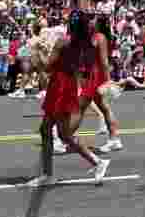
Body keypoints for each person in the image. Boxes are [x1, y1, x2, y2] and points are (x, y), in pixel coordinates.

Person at [28, 11, 110, 187]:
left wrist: (37, 50)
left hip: (60, 85)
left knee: (63, 134)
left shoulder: (63, 42)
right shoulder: (83, 43)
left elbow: (47, 66)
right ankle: (48, 173)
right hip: (67, 84)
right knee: (48, 130)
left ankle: (97, 162)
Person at [80, 14, 123, 153]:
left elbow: (104, 62)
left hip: (97, 76)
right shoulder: (91, 36)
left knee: (83, 107)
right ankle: (115, 139)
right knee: (103, 108)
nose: (89, 23)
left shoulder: (100, 37)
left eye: (92, 20)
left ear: (98, 24)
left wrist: (108, 81)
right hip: (91, 75)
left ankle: (65, 137)